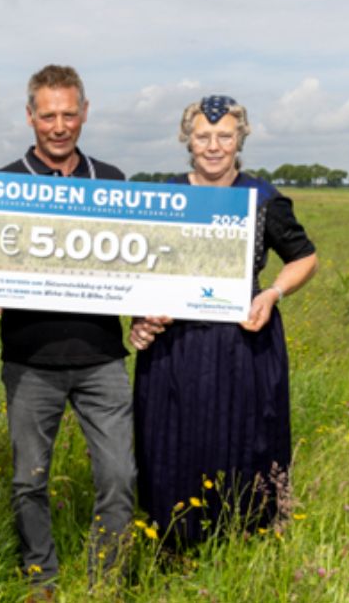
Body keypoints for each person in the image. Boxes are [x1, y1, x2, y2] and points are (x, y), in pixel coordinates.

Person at [0, 65, 135, 598]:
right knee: (28, 481)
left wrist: (153, 312)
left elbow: (138, 267)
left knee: (119, 477)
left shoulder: (111, 181)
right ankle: (41, 578)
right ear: (30, 117)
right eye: (48, 115)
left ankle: (104, 580)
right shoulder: (3, 182)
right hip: (29, 361)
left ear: (84, 114)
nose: (59, 125)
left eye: (69, 114)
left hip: (103, 360)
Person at [130, 95, 318, 546]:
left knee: (246, 441)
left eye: (224, 136)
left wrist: (273, 292)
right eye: (203, 136)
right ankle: (173, 547)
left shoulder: (263, 197)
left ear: (240, 139)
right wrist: (141, 318)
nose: (214, 146)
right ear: (187, 140)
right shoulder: (164, 196)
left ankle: (243, 544)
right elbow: (139, 269)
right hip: (176, 347)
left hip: (244, 343)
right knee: (172, 442)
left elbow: (304, 257)